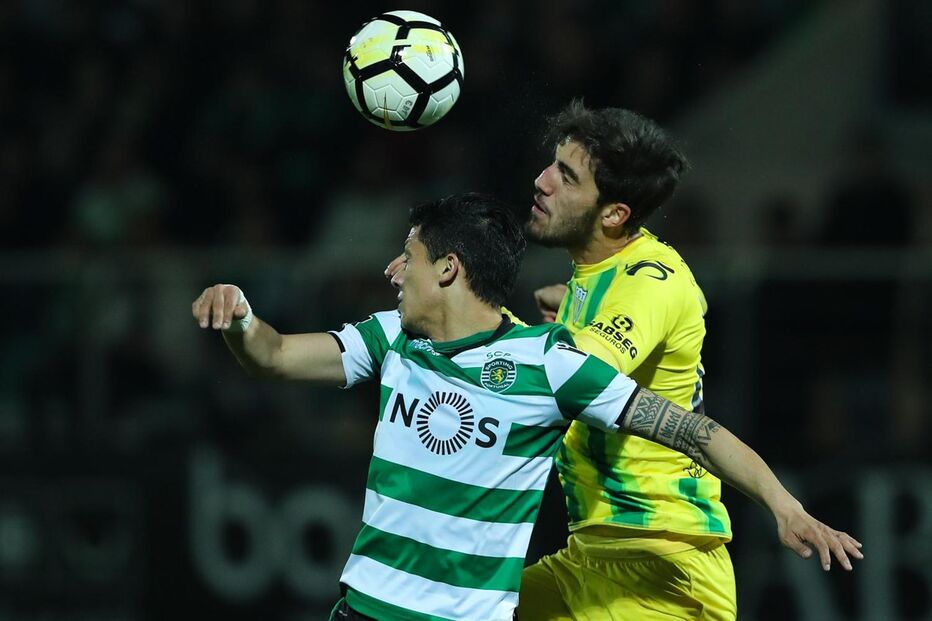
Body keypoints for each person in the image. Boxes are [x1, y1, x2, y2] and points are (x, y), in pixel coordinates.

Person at [195, 193, 860, 621]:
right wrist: (240, 317)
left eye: (410, 256)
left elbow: (692, 430)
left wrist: (784, 505)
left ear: (449, 269)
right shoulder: (392, 337)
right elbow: (275, 356)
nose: (394, 271)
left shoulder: (549, 366)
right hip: (362, 611)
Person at [519, 101, 738, 620]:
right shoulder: (596, 273)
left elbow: (577, 371)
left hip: (662, 568)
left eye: (566, 177)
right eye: (553, 164)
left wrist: (470, 324)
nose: (542, 181)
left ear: (615, 215)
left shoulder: (651, 283)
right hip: (591, 558)